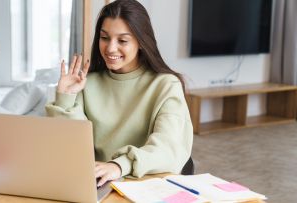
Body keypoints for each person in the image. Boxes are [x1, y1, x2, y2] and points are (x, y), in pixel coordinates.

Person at [46, 0, 193, 187]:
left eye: (122, 40)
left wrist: (119, 165)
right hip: (95, 185)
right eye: (104, 37)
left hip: (141, 185)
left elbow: (168, 148)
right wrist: (65, 98)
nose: (110, 48)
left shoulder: (165, 85)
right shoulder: (87, 83)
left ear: (141, 42)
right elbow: (69, 148)